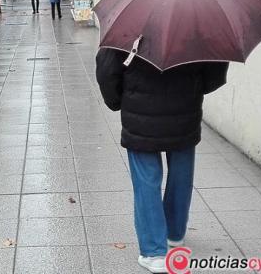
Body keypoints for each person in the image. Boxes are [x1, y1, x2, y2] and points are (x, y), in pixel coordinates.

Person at [95, 49, 228, 274]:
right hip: (185, 112)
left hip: (139, 115)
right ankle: (174, 235)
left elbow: (107, 70)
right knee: (181, 175)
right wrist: (194, 89)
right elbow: (215, 69)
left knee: (146, 180)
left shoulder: (127, 21)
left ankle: (154, 252)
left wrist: (119, 101)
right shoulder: (198, 21)